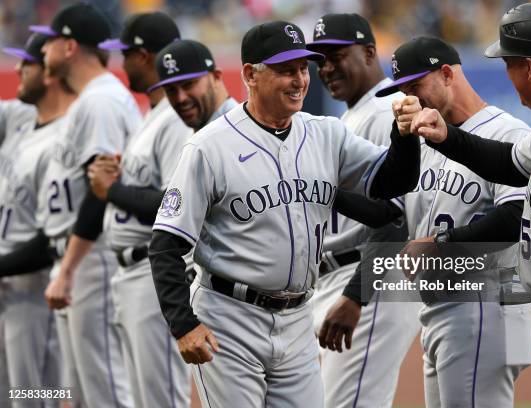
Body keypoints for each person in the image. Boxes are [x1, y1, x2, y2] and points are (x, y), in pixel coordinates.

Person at [148, 20, 421, 407]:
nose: (299, 80)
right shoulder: (208, 147)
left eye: (301, 68)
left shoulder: (326, 133)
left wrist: (404, 135)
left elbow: (393, 182)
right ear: (250, 75)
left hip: (296, 319)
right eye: (284, 69)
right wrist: (183, 325)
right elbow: (164, 245)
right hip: (230, 316)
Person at [401, 3, 531, 407]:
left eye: (509, 65)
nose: (509, 76)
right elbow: (509, 164)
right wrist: (449, 138)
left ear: (530, 67)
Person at [305, 13, 421, 408]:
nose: (327, 67)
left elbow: (398, 219)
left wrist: (357, 296)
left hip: (371, 280)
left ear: (370, 52)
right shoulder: (356, 114)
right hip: (345, 277)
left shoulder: (386, 110)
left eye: (336, 55)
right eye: (319, 59)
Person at [30, 3, 141, 406]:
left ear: (70, 46)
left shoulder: (101, 101)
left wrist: (70, 269)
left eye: (51, 42)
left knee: (106, 388)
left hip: (91, 260)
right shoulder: (91, 99)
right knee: (79, 393)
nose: (44, 50)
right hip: (79, 259)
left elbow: (101, 191)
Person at [89, 12, 192, 408]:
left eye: (127, 54)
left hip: (153, 276)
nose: (122, 63)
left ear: (146, 57)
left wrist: (112, 189)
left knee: (161, 396)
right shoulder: (152, 116)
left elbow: (174, 204)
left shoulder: (174, 119)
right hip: (129, 274)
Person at [0, 33, 73, 407]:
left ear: (47, 72)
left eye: (24, 65)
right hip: (6, 280)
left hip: (33, 286)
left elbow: (54, 238)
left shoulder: (64, 139)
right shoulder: (20, 117)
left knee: (34, 394)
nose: (16, 71)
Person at [150, 39, 238, 131]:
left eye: (188, 84)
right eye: (170, 90)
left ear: (216, 77)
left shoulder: (237, 129)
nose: (180, 98)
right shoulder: (202, 128)